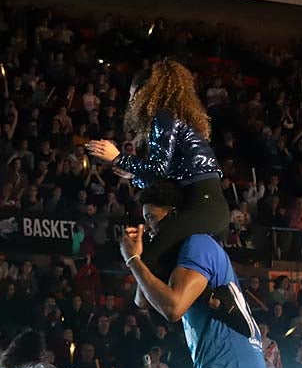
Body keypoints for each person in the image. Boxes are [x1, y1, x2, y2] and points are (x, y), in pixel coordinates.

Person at [119, 183, 267, 368]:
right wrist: (145, 257)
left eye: (152, 218)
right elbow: (142, 300)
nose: (149, 228)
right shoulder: (185, 251)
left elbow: (173, 308)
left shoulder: (197, 244)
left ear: (175, 216)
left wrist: (133, 259)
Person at [86, 59, 228, 275]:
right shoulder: (177, 118)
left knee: (146, 262)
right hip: (208, 206)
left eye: (134, 94)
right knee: (171, 270)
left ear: (147, 92)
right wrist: (133, 174)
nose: (132, 101)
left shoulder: (164, 116)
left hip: (201, 206)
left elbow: (158, 169)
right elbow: (165, 179)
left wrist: (118, 157)